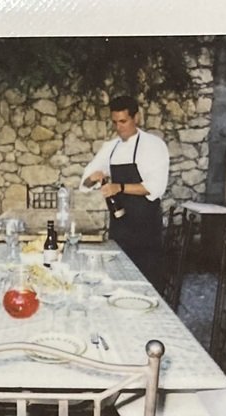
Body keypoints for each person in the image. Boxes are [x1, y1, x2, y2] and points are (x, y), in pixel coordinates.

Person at [79, 95, 170, 290]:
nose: (119, 127)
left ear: (136, 118)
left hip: (146, 229)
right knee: (117, 280)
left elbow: (155, 188)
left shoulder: (154, 145)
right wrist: (92, 178)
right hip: (120, 227)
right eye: (115, 122)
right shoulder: (111, 148)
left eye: (123, 121)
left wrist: (119, 187)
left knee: (146, 285)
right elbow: (85, 183)